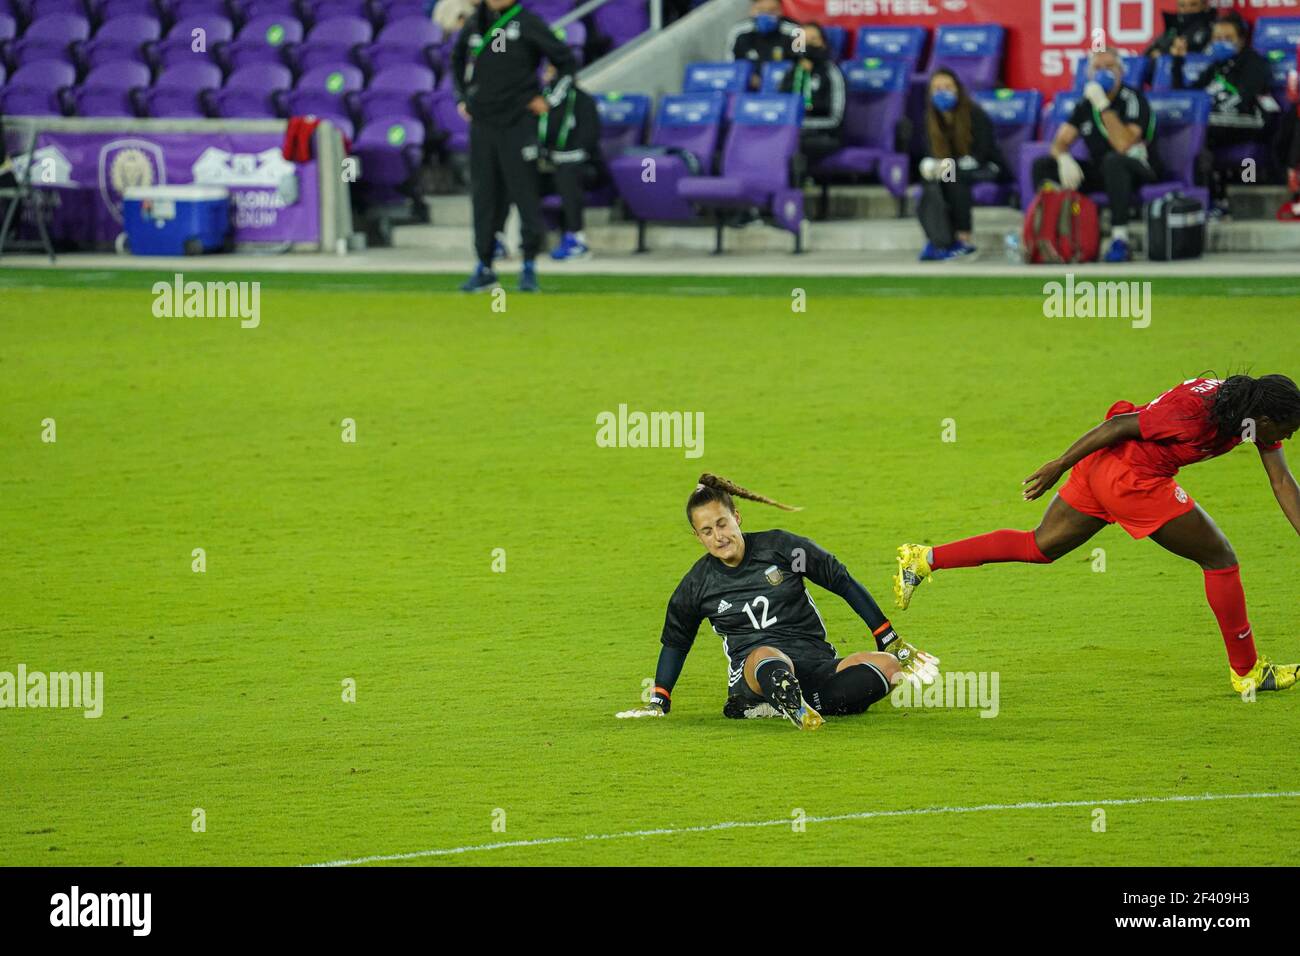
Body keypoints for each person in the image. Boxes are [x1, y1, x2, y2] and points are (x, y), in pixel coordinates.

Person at [894, 375, 1300, 695]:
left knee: (1040, 546)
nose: (1291, 435)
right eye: (1289, 427)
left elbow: (1282, 482)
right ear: (1265, 418)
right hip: (1133, 479)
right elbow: (1120, 424)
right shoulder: (1196, 414)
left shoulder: (1243, 411)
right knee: (1221, 560)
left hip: (1103, 467)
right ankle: (1248, 672)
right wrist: (1058, 464)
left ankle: (924, 559)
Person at [615, 474, 939, 730]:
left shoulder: (782, 549)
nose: (719, 536)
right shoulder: (697, 586)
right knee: (766, 654)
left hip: (817, 665)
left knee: (890, 667)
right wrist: (660, 700)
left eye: (723, 524)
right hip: (754, 676)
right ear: (697, 536)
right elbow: (676, 642)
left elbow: (839, 580)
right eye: (707, 530)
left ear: (737, 517)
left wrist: (886, 636)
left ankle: (792, 705)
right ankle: (770, 703)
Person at [452, 0, 577, 293]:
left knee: (524, 192)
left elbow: (566, 62)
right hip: (483, 123)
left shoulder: (528, 23)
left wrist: (549, 98)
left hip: (518, 121)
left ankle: (529, 264)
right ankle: (484, 264)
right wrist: (462, 97)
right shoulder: (475, 24)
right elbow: (457, 60)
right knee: (484, 195)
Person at [1031, 48, 1157, 263]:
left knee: (1113, 162)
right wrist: (1063, 158)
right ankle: (1049, 234)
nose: (1104, 72)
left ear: (1121, 71)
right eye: (1098, 68)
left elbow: (1123, 145)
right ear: (1089, 75)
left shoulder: (1133, 99)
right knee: (1043, 165)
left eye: (1110, 67)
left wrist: (1103, 106)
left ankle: (1120, 239)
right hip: (1102, 172)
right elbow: (1059, 142)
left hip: (1137, 169)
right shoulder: (1085, 103)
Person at [1172, 12, 1277, 219]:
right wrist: (1177, 62)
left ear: (1241, 39)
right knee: (1194, 133)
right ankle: (1201, 200)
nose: (1221, 43)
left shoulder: (1253, 61)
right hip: (1218, 123)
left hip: (1250, 121)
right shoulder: (1215, 67)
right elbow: (1188, 98)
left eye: (1227, 38)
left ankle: (1217, 201)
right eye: (1217, 38)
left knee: (1202, 131)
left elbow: (1244, 98)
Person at [915, 68, 1006, 262]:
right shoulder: (930, 120)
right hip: (953, 169)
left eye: (947, 87)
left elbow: (982, 153)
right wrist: (932, 166)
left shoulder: (975, 113)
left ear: (958, 89)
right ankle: (939, 240)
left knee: (954, 175)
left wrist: (948, 165)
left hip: (987, 166)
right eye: (937, 88)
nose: (942, 92)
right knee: (931, 180)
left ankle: (963, 237)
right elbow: (931, 154)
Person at [537, 63, 605, 261]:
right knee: (518, 174)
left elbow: (588, 143)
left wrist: (558, 157)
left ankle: (577, 239)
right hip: (551, 167)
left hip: (585, 167)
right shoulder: (543, 102)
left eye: (550, 71)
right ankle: (521, 237)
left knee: (567, 174)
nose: (546, 76)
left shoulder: (583, 102)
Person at [778, 23, 845, 170]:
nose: (807, 45)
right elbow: (780, 107)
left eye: (813, 40)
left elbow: (836, 119)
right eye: (803, 41)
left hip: (823, 135)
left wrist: (800, 125)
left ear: (823, 43)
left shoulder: (831, 73)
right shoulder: (789, 74)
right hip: (792, 132)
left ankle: (794, 186)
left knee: (791, 144)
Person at [726, 0, 801, 91]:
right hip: (747, 89)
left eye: (771, 11)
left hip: (785, 89)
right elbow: (730, 65)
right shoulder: (739, 31)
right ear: (752, 10)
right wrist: (747, 77)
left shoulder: (796, 31)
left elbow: (803, 64)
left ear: (781, 10)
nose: (766, 15)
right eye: (761, 10)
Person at [1143, 0, 1213, 69]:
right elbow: (1147, 54)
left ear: (1204, 6)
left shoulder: (1213, 29)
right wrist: (1158, 54)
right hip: (1167, 76)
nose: (1187, 9)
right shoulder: (1172, 28)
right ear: (1178, 7)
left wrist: (1170, 54)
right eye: (1182, 5)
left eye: (1193, 5)